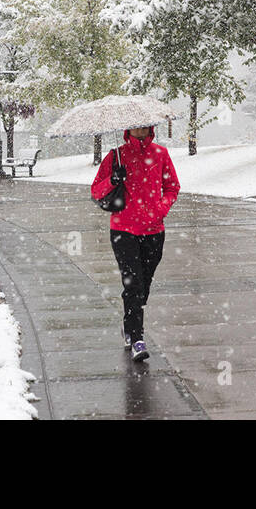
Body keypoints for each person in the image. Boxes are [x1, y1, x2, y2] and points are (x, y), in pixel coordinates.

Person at [91, 124, 180, 362]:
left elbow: (172, 187)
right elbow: (96, 190)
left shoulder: (160, 154)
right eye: (136, 128)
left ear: (150, 128)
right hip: (123, 230)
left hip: (154, 231)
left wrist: (160, 209)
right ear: (128, 130)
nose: (140, 132)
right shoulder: (116, 156)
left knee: (144, 285)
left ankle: (129, 325)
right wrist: (113, 179)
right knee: (133, 284)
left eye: (144, 128)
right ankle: (137, 339)